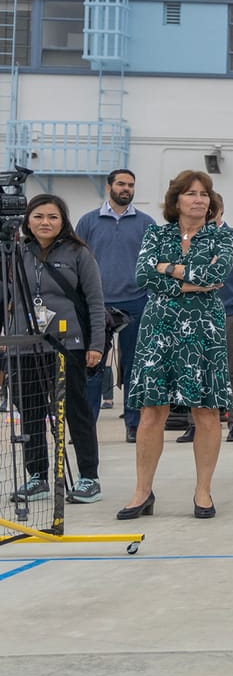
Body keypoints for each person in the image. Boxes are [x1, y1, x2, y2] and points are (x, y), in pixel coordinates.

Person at [121, 170, 233, 521]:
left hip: (205, 330)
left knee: (206, 411)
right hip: (159, 329)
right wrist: (191, 280)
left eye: (204, 193)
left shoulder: (223, 238)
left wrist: (167, 268)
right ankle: (142, 492)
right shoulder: (155, 233)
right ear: (177, 200)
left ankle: (203, 492)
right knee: (152, 411)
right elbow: (142, 276)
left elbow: (216, 278)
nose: (198, 199)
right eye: (190, 193)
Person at [10, 194, 106, 504]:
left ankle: (89, 477)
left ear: (63, 221)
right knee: (31, 412)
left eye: (52, 217)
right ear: (28, 220)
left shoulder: (78, 253)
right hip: (24, 346)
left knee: (75, 412)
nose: (45, 223)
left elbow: (95, 301)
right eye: (38, 216)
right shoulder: (14, 252)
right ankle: (38, 476)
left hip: (68, 346)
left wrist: (96, 345)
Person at [73, 167, 153, 443]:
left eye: (131, 185)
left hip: (137, 302)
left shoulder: (146, 223)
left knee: (134, 366)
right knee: (92, 366)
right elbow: (76, 261)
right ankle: (85, 427)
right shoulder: (88, 222)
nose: (126, 189)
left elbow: (154, 264)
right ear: (109, 187)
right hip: (98, 305)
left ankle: (133, 424)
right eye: (121, 184)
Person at [184, 224, 233, 445]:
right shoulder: (190, 236)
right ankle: (193, 424)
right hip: (195, 314)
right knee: (193, 369)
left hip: (227, 314)